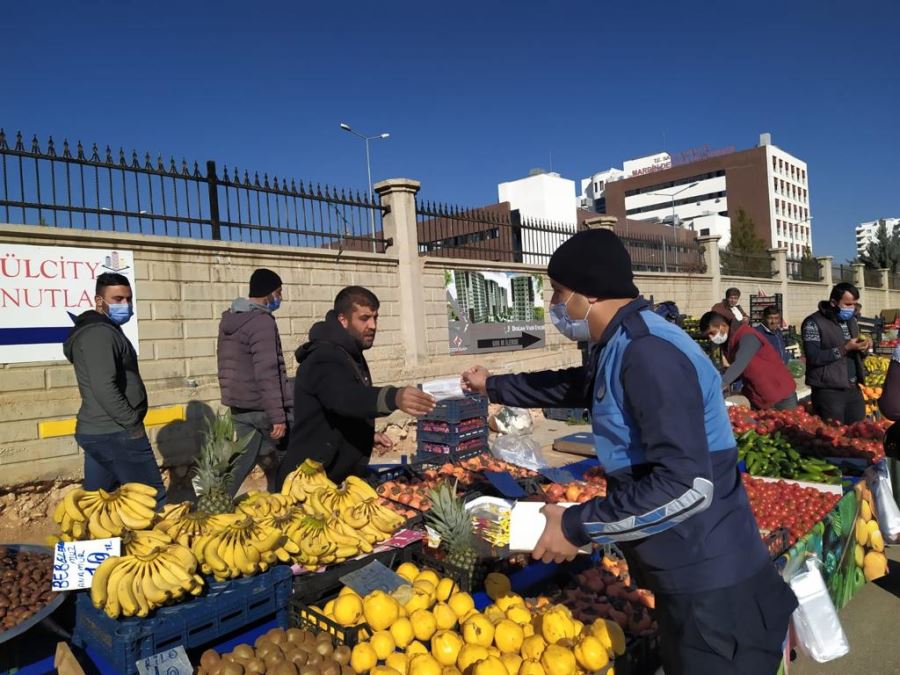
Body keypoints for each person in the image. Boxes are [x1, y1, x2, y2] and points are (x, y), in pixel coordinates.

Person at [461, 229, 796, 675]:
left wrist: (577, 525)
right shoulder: (621, 344)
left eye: (558, 292)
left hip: (713, 588)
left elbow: (686, 485)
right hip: (686, 574)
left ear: (587, 293)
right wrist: (494, 386)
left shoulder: (648, 352)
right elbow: (573, 385)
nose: (555, 305)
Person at [279, 286, 436, 484]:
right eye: (364, 318)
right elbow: (345, 398)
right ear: (343, 319)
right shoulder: (323, 357)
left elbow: (334, 416)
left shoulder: (349, 353)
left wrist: (366, 435)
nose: (373, 325)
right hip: (309, 481)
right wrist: (392, 397)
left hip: (337, 477)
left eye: (375, 318)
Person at [63, 273, 165, 505]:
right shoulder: (99, 333)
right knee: (150, 501)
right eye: (118, 299)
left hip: (102, 433)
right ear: (99, 301)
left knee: (99, 503)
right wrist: (132, 423)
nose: (125, 305)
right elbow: (103, 386)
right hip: (115, 433)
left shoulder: (104, 330)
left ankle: (91, 530)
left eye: (128, 299)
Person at [217, 268, 293, 494]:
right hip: (262, 407)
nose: (280, 298)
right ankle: (286, 501)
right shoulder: (261, 322)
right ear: (268, 293)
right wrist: (277, 416)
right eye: (278, 292)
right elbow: (267, 371)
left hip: (238, 405)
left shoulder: (230, 319)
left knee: (246, 458)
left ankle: (219, 500)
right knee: (287, 456)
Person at [700, 311, 797, 410]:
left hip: (781, 395)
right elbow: (741, 370)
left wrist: (716, 387)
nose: (711, 338)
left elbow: (739, 365)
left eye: (712, 333)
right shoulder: (729, 343)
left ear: (723, 326)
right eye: (708, 336)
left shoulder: (748, 336)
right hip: (760, 397)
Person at [802, 283, 870, 424]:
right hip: (829, 390)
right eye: (848, 304)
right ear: (833, 302)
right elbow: (813, 357)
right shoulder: (813, 323)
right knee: (833, 433)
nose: (852, 308)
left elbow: (855, 353)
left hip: (853, 388)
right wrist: (845, 348)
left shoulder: (851, 321)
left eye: (855, 304)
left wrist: (863, 348)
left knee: (859, 429)